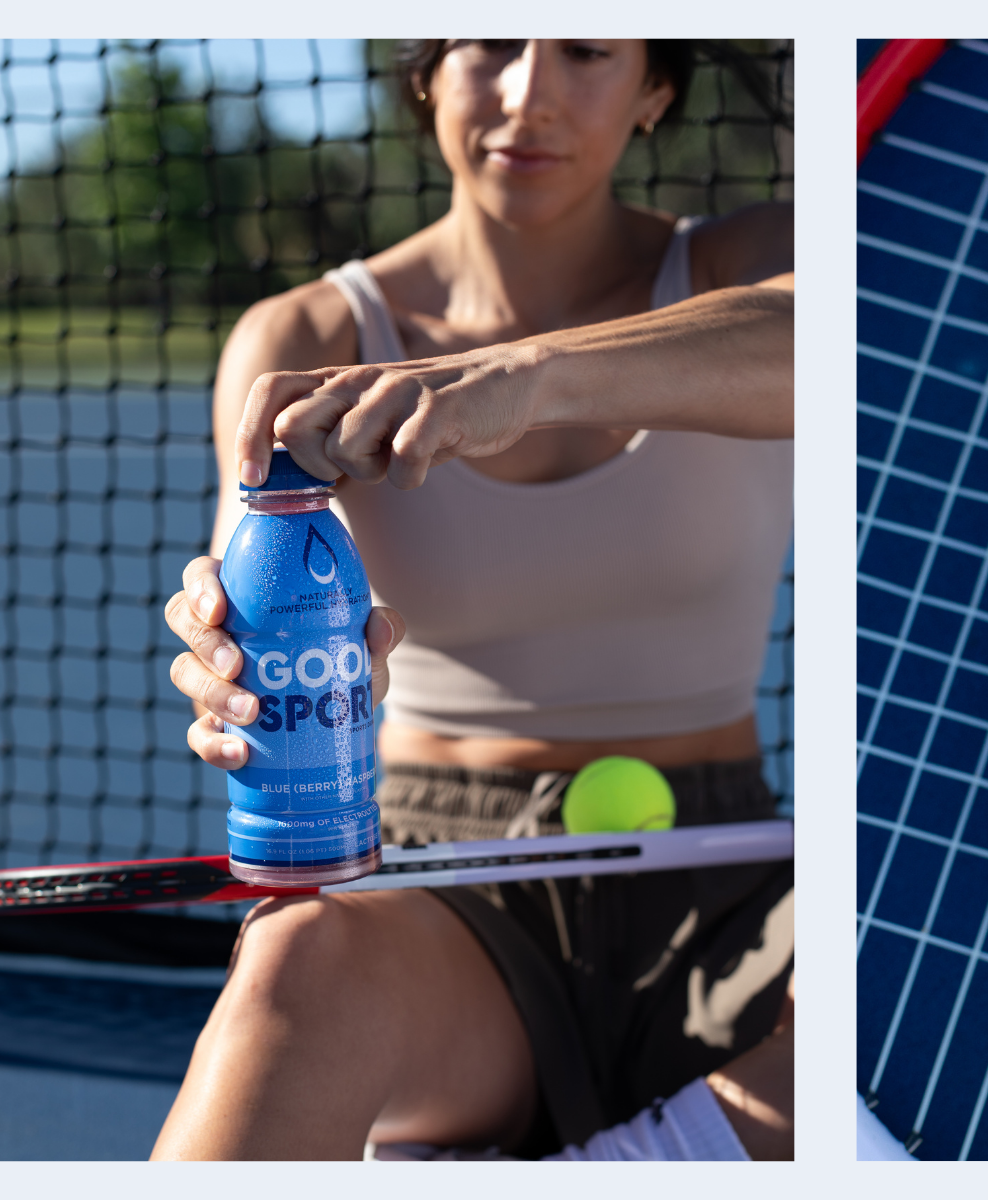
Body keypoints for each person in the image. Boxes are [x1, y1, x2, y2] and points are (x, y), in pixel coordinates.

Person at [152, 40, 794, 1160]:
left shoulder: (756, 262)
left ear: (655, 91)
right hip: (436, 884)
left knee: (907, 960)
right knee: (292, 970)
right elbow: (253, 609)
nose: (527, 91)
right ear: (424, 73)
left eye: (587, 51)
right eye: (487, 42)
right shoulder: (302, 340)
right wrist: (230, 672)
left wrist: (526, 376)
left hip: (730, 873)